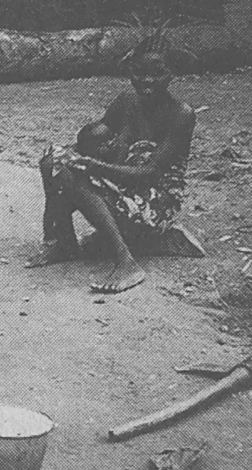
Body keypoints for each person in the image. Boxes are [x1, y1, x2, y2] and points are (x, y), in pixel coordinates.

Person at [27, 31, 203, 293]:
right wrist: (71, 157)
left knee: (74, 175)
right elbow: (93, 137)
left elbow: (149, 172)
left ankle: (126, 261)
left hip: (156, 200)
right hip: (122, 185)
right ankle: (64, 242)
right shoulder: (126, 101)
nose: (146, 80)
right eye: (139, 72)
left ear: (172, 74)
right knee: (55, 161)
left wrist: (95, 166)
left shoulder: (181, 114)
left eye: (158, 72)